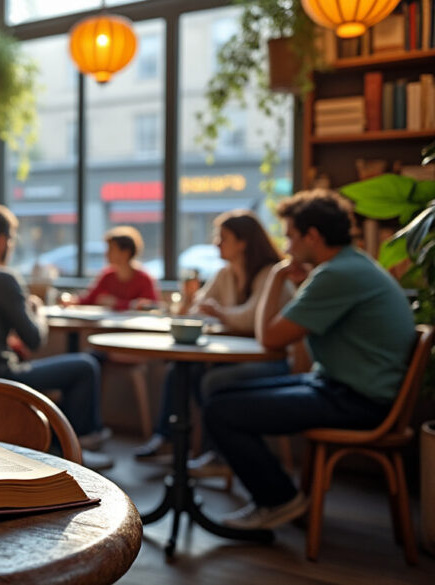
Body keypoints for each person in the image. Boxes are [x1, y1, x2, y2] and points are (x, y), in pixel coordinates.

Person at [203, 189, 415, 530]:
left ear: (312, 236)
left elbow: (268, 336)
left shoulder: (336, 274)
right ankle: (279, 496)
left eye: (289, 237)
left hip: (356, 399)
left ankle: (280, 500)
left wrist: (276, 276)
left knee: (220, 410)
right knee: (220, 395)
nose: (286, 247)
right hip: (342, 386)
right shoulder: (350, 266)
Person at [0, 205, 111, 469]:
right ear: (1, 241)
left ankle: (58, 443)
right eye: (11, 239)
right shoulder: (4, 279)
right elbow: (34, 340)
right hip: (0, 377)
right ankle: (75, 447)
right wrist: (37, 311)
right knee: (85, 366)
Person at [135, 210, 294, 467]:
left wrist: (219, 312)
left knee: (214, 380)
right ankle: (170, 440)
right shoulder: (225, 274)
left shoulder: (271, 274)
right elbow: (198, 310)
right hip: (232, 356)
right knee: (180, 372)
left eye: (223, 238)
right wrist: (195, 303)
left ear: (243, 242)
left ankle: (218, 451)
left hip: (273, 360)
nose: (216, 244)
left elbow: (251, 318)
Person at [69, 226, 159, 310]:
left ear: (125, 252)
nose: (106, 253)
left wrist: (116, 303)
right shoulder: (108, 275)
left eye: (111, 249)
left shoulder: (143, 278)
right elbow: (90, 299)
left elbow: (151, 306)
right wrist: (71, 301)